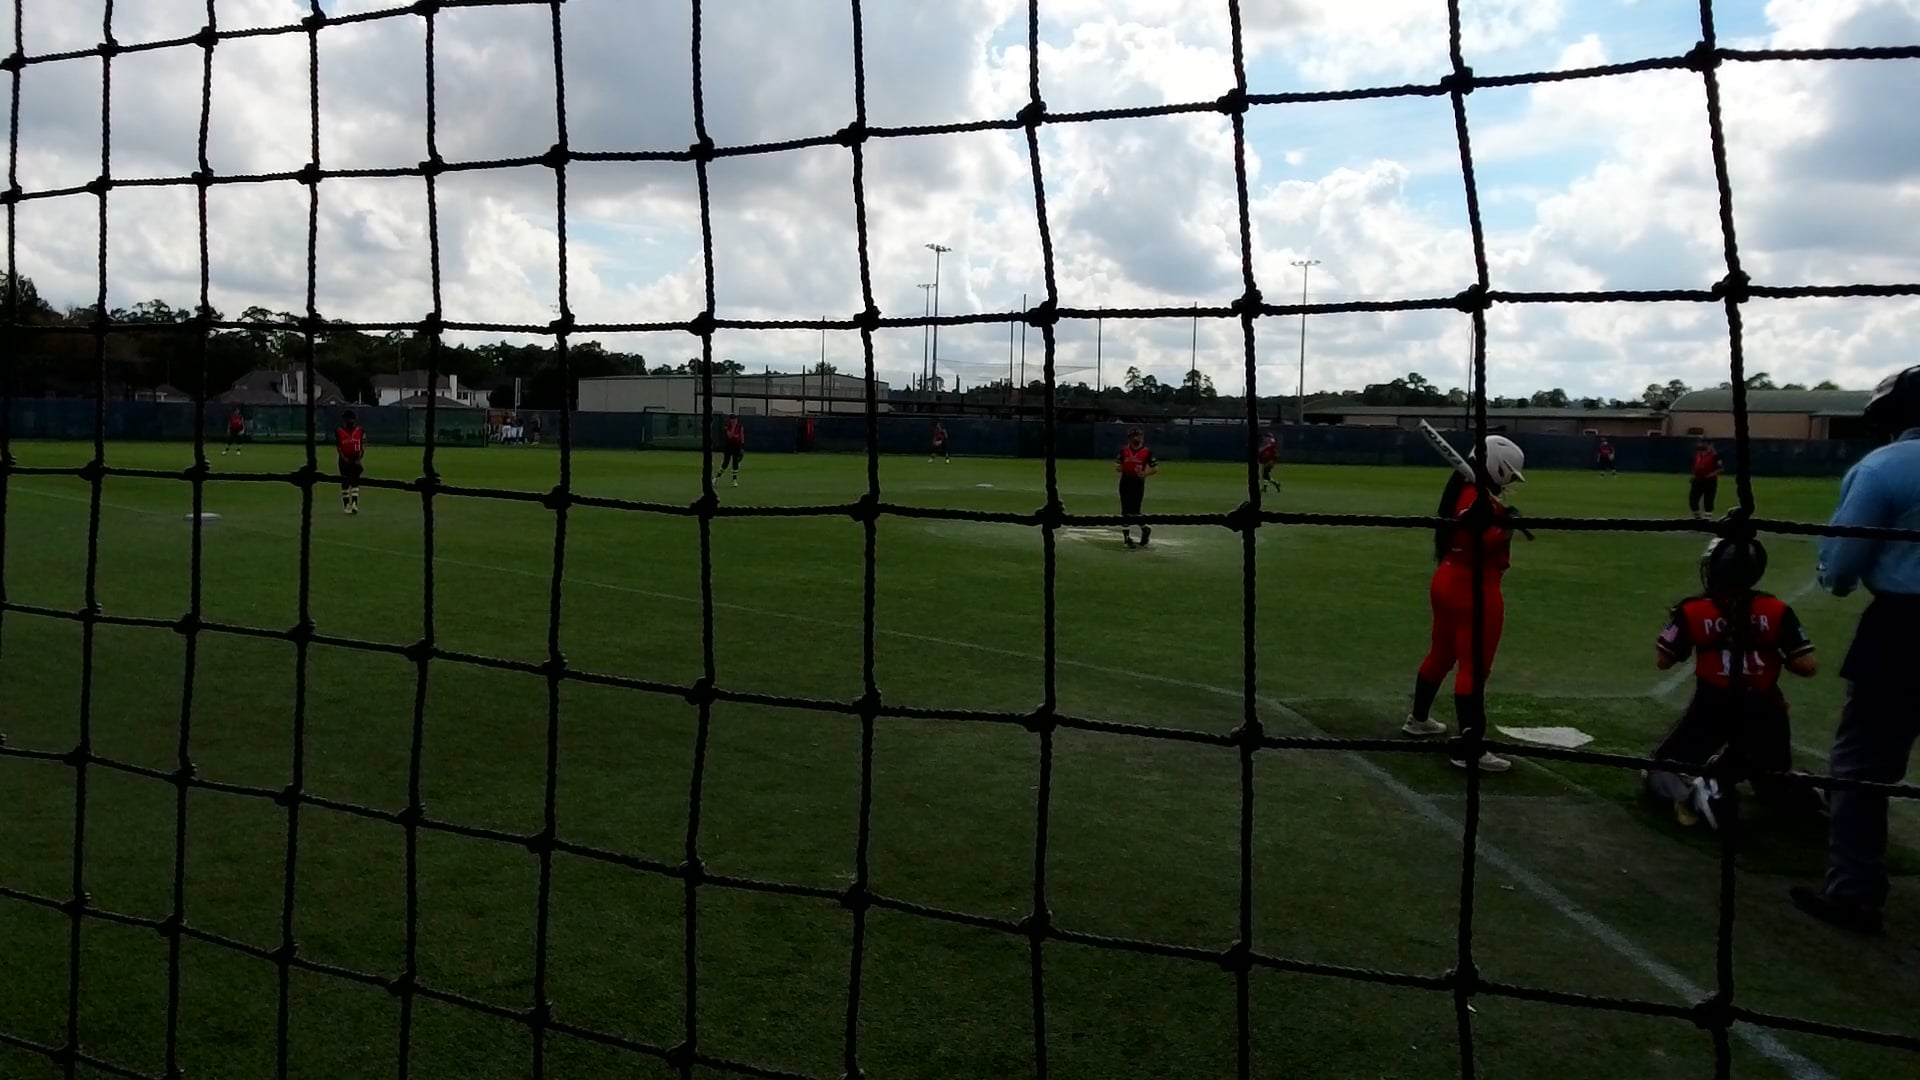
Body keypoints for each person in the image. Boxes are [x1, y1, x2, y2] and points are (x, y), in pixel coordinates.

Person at [1792, 364, 1920, 936]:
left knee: (1862, 768)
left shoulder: (1883, 466)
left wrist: (1837, 581)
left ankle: (1855, 894)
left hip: (1903, 629)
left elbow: (1843, 563)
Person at [1645, 535, 1821, 829]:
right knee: (1771, 784)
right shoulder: (1776, 609)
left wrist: (1707, 637)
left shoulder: (1695, 610)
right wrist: (1767, 648)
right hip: (1768, 709)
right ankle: (1814, 791)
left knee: (1659, 768)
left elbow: (1663, 660)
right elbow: (1807, 665)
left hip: (1714, 706)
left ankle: (1700, 795)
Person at [1401, 435, 1527, 772]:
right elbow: (1478, 540)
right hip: (1474, 586)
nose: (1509, 482)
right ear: (1498, 468)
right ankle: (1470, 750)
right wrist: (1506, 526)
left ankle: (1418, 719)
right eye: (1509, 475)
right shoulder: (1475, 497)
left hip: (1448, 578)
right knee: (1475, 668)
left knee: (1441, 654)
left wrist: (1502, 518)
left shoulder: (1467, 491)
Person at [1115, 427, 1158, 549]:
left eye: (1138, 436)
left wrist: (1144, 474)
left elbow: (1155, 469)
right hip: (1125, 480)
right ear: (1129, 438)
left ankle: (1145, 528)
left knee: (1135, 510)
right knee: (1125, 510)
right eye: (1134, 436)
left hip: (1137, 482)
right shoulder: (1124, 451)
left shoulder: (1147, 452)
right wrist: (1124, 467)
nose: (1136, 438)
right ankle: (1127, 538)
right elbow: (1117, 466)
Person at [336, 410, 366, 515]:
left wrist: (359, 459)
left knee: (355, 482)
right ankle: (346, 505)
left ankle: (354, 503)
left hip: (355, 459)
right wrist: (344, 458)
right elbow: (339, 447)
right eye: (348, 419)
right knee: (344, 483)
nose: (350, 421)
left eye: (352, 419)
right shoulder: (339, 431)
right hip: (344, 460)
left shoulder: (360, 431)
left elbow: (362, 446)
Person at [1689, 436, 1722, 519]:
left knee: (1708, 501)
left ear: (1710, 445)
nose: (1701, 445)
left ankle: (1707, 520)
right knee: (1693, 501)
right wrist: (1693, 475)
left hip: (1709, 481)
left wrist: (1709, 475)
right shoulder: (1698, 454)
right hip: (1698, 480)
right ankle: (1698, 518)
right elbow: (1696, 466)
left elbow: (1719, 469)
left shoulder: (1714, 455)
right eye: (1701, 443)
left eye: (1704, 443)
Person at [716, 413, 744, 486]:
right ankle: (717, 478)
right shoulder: (727, 426)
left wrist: (741, 447)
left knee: (735, 462)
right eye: (733, 419)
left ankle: (734, 480)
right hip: (728, 446)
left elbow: (741, 437)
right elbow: (730, 436)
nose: (734, 421)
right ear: (730, 420)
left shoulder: (740, 426)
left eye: (735, 419)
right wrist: (733, 428)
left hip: (737, 446)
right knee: (726, 462)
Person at [1257, 429, 1280, 493]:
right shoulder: (1266, 443)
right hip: (1266, 460)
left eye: (1265, 437)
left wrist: (1262, 449)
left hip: (1270, 460)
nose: (1264, 439)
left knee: (1265, 473)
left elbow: (1268, 448)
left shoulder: (1271, 442)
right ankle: (1275, 484)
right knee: (1265, 475)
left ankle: (1267, 486)